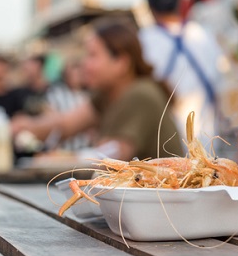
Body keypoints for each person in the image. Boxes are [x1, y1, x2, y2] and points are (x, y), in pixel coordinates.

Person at [12, 17, 183, 162]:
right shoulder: (106, 95)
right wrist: (24, 126)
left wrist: (54, 159)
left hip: (165, 198)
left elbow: (111, 157)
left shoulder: (140, 95)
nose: (84, 64)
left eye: (92, 55)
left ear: (121, 62)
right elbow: (65, 125)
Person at [140, 0, 226, 144]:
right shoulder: (203, 35)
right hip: (207, 143)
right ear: (180, 3)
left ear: (149, 7)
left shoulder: (143, 40)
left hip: (163, 145)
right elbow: (223, 87)